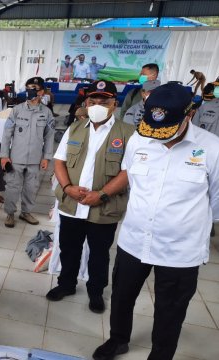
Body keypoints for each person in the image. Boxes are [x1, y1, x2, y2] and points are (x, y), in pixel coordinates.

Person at [93, 83, 219, 360]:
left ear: (190, 114)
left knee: (170, 309)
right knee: (122, 297)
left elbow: (216, 204)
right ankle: (118, 340)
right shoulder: (139, 139)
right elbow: (133, 180)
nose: (159, 137)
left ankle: (161, 355)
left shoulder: (212, 149)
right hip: (134, 241)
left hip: (179, 252)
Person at [46, 80, 134, 314]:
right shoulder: (75, 128)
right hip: (72, 203)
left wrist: (102, 194)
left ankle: (96, 292)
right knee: (69, 248)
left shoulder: (127, 133)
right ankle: (66, 285)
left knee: (99, 254)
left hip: (103, 207)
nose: (97, 106)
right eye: (92, 101)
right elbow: (59, 161)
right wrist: (67, 188)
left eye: (103, 102)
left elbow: (128, 172)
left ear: (114, 104)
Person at [1, 77, 55, 228]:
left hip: (35, 159)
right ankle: (10, 213)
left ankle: (26, 212)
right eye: (28, 88)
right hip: (16, 158)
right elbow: (7, 135)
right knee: (12, 187)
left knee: (31, 188)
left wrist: (47, 157)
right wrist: (4, 156)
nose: (30, 92)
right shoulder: (17, 110)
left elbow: (49, 137)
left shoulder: (47, 113)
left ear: (41, 92)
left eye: (34, 89)